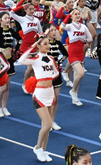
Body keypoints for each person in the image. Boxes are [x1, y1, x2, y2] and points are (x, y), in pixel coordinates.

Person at [18, 32, 60, 162]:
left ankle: (44, 149)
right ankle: (37, 147)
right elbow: (21, 60)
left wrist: (47, 78)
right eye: (45, 44)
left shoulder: (51, 59)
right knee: (48, 124)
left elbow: (56, 73)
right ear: (39, 45)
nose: (48, 46)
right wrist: (33, 46)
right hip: (40, 94)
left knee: (46, 126)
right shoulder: (35, 59)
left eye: (48, 44)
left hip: (50, 93)